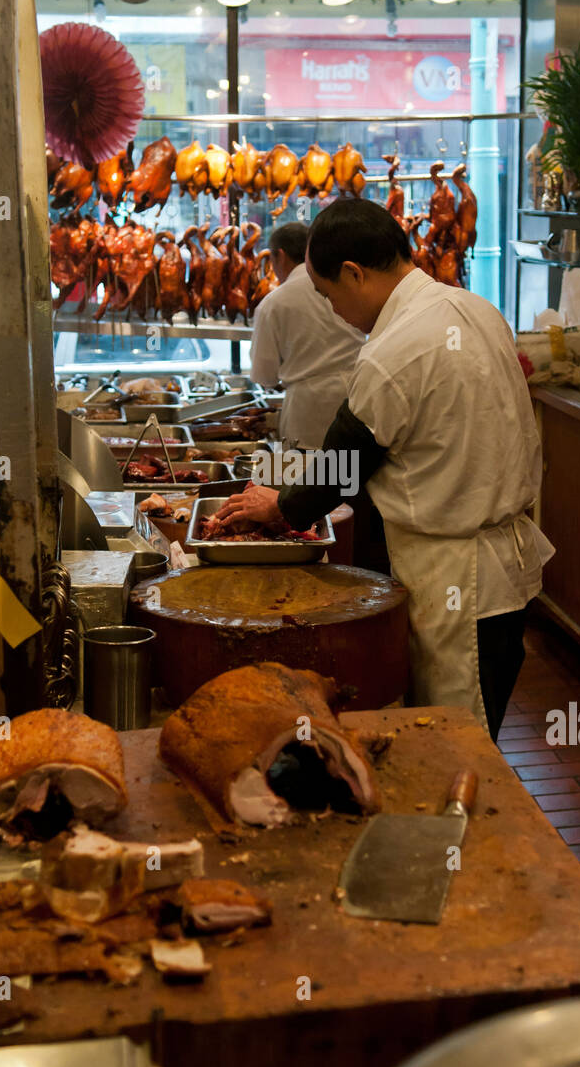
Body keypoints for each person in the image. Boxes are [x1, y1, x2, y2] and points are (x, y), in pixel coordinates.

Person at [218, 198, 555, 740]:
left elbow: (342, 468)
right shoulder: (475, 308)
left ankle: (460, 823)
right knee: (479, 726)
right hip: (504, 568)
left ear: (353, 273)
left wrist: (279, 506)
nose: (332, 312)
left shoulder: (395, 350)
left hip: (456, 576)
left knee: (455, 738)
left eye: (328, 296)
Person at [248, 221, 366, 450]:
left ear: (280, 256)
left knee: (311, 480)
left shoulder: (274, 303)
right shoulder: (346, 286)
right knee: (351, 476)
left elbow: (264, 376)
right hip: (357, 398)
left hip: (308, 411)